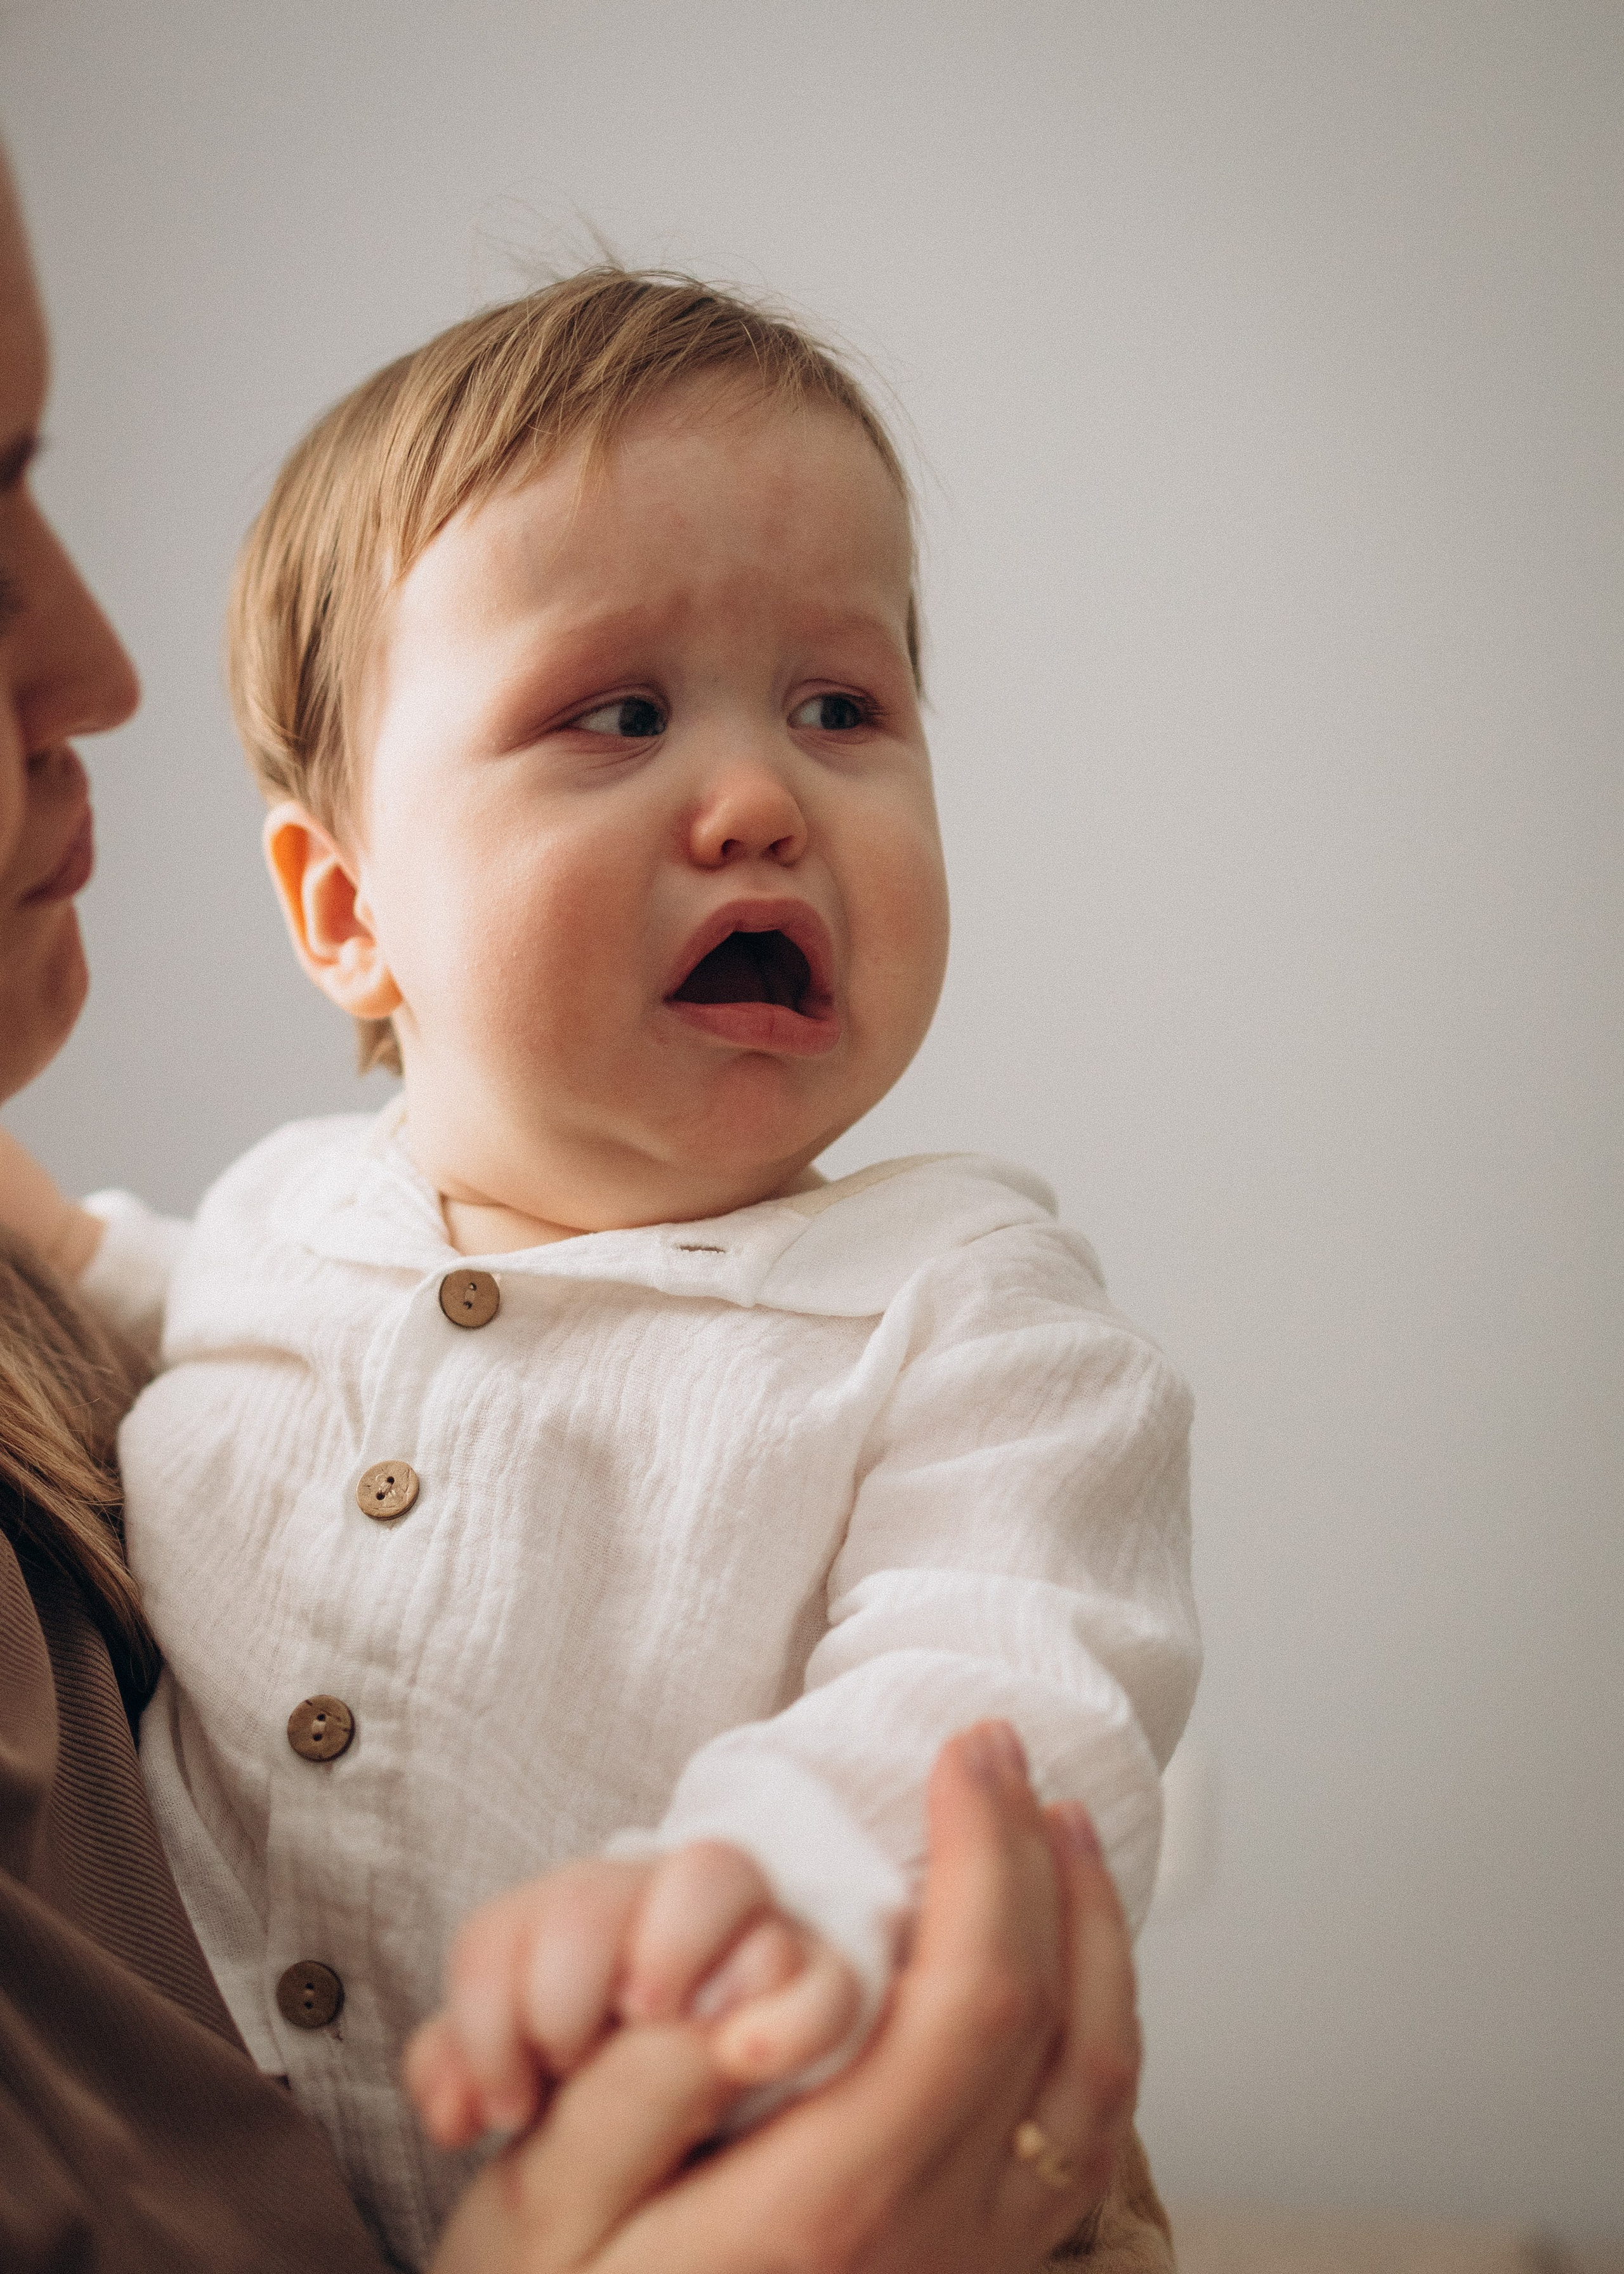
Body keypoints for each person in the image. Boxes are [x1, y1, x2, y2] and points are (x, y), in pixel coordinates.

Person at [0, 143, 1176, 2273]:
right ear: (347, 909)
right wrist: (73, 1251)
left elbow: (1017, 1674)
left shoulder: (963, 1308)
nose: (759, 801)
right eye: (614, 715)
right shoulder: (283, 1217)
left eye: (844, 706)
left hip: (721, 2174)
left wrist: (772, 1887)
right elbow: (197, 1332)